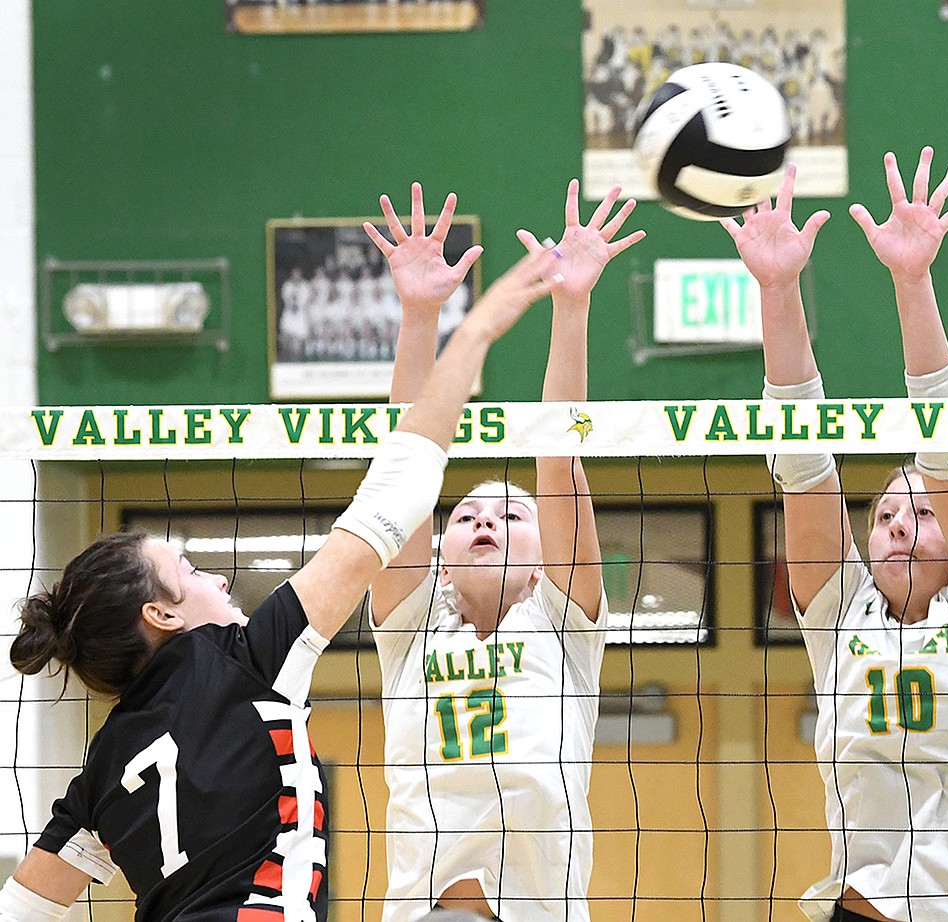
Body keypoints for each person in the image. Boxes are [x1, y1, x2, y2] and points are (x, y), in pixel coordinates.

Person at [0, 241, 566, 922]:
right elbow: (402, 487)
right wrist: (473, 328)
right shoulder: (247, 660)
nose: (209, 573)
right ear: (165, 615)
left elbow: (24, 907)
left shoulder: (104, 765)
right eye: (186, 570)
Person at [722, 149, 948, 922]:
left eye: (922, 513)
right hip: (863, 903)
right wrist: (778, 289)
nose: (899, 523)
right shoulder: (841, 618)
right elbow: (802, 464)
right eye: (885, 517)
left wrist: (911, 281)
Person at [362, 180, 644, 922]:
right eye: (466, 515)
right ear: (440, 554)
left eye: (511, 515)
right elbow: (404, 470)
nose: (485, 521)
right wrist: (420, 317)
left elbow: (559, 458)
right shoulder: (411, 624)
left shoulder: (564, 622)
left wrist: (571, 307)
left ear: (545, 550)